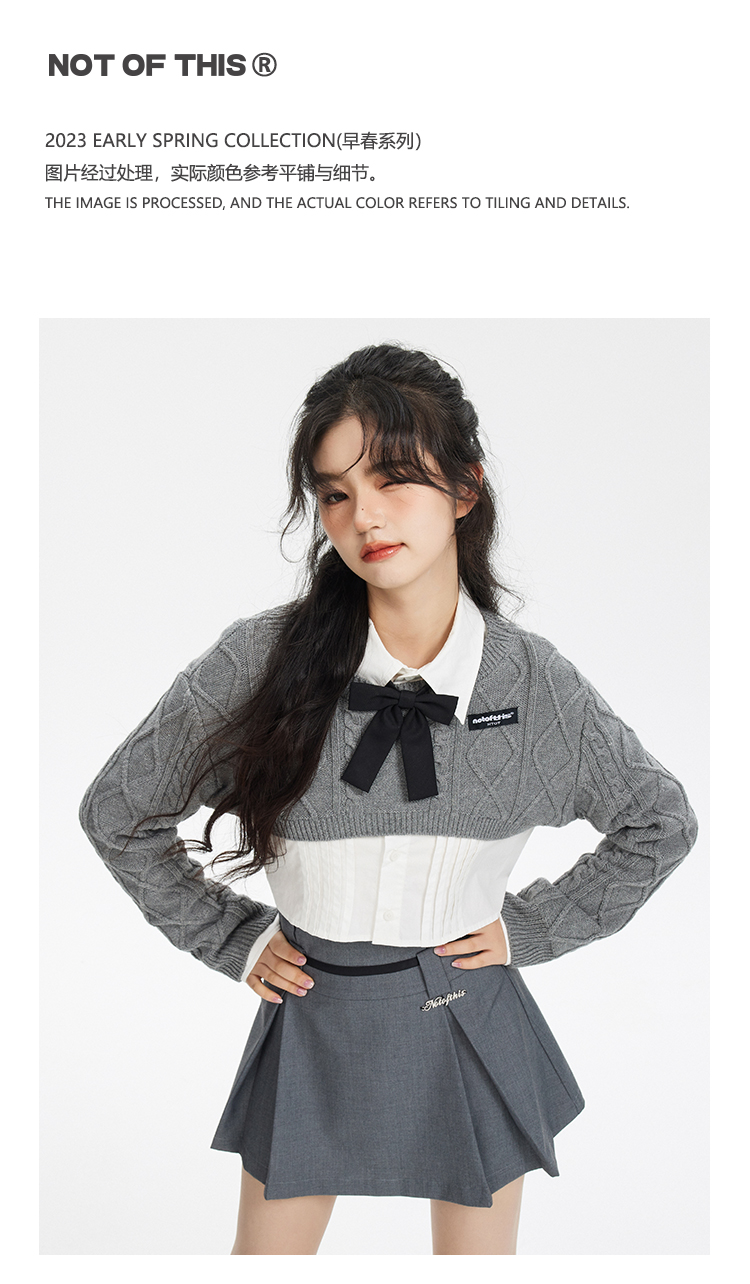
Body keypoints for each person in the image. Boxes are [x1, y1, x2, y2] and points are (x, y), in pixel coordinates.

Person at [79, 343, 698, 1255]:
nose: (364, 515)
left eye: (394, 478)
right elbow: (116, 813)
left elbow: (661, 822)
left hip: (471, 1011)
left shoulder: (534, 684)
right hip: (314, 1011)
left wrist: (531, 929)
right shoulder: (259, 663)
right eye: (335, 494)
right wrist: (232, 938)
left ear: (466, 488)